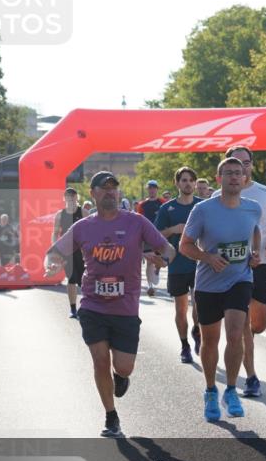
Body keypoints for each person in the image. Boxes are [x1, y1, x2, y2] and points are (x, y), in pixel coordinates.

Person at [45, 171, 174, 438]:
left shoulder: (136, 222)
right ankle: (111, 416)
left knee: (124, 366)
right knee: (100, 360)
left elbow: (167, 248)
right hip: (93, 306)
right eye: (104, 189)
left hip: (126, 308)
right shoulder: (83, 227)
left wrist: (164, 259)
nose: (110, 192)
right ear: (93, 194)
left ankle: (121, 376)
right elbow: (54, 252)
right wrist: (52, 264)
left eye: (113, 188)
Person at [179, 156, 262, 421]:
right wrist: (208, 257)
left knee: (236, 333)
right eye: (229, 173)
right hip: (208, 283)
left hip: (240, 279)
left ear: (245, 178)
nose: (235, 177)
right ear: (219, 179)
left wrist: (255, 253)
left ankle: (231, 390)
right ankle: (210, 390)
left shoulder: (253, 208)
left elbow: (255, 231)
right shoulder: (203, 210)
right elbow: (185, 245)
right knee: (210, 340)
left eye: (238, 172)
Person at [217, 146, 266, 398]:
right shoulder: (217, 195)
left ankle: (247, 351)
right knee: (243, 324)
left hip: (262, 264)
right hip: (235, 268)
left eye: (246, 162)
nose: (241, 167)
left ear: (252, 165)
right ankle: (251, 376)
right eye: (235, 163)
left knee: (258, 324)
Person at [154, 166, 203, 364]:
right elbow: (156, 235)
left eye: (191, 180)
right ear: (177, 183)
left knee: (200, 305)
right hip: (178, 264)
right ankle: (184, 346)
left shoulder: (202, 206)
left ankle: (197, 330)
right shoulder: (167, 208)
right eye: (184, 180)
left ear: (195, 183)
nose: (188, 183)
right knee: (181, 309)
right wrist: (174, 229)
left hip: (200, 264)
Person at [52, 188, 85, 318]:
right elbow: (55, 233)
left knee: (84, 280)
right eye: (68, 196)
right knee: (71, 279)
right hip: (66, 252)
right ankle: (73, 309)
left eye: (73, 196)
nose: (70, 199)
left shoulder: (84, 212)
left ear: (77, 198)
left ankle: (86, 307)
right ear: (64, 198)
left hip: (82, 252)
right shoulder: (60, 215)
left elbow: (92, 231)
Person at [136, 180, 165, 297]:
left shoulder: (163, 203)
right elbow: (139, 221)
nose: (152, 190)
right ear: (147, 190)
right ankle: (150, 286)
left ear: (157, 189)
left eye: (154, 188)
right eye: (150, 188)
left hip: (161, 235)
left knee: (159, 260)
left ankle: (157, 270)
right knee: (149, 260)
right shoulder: (142, 205)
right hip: (147, 236)